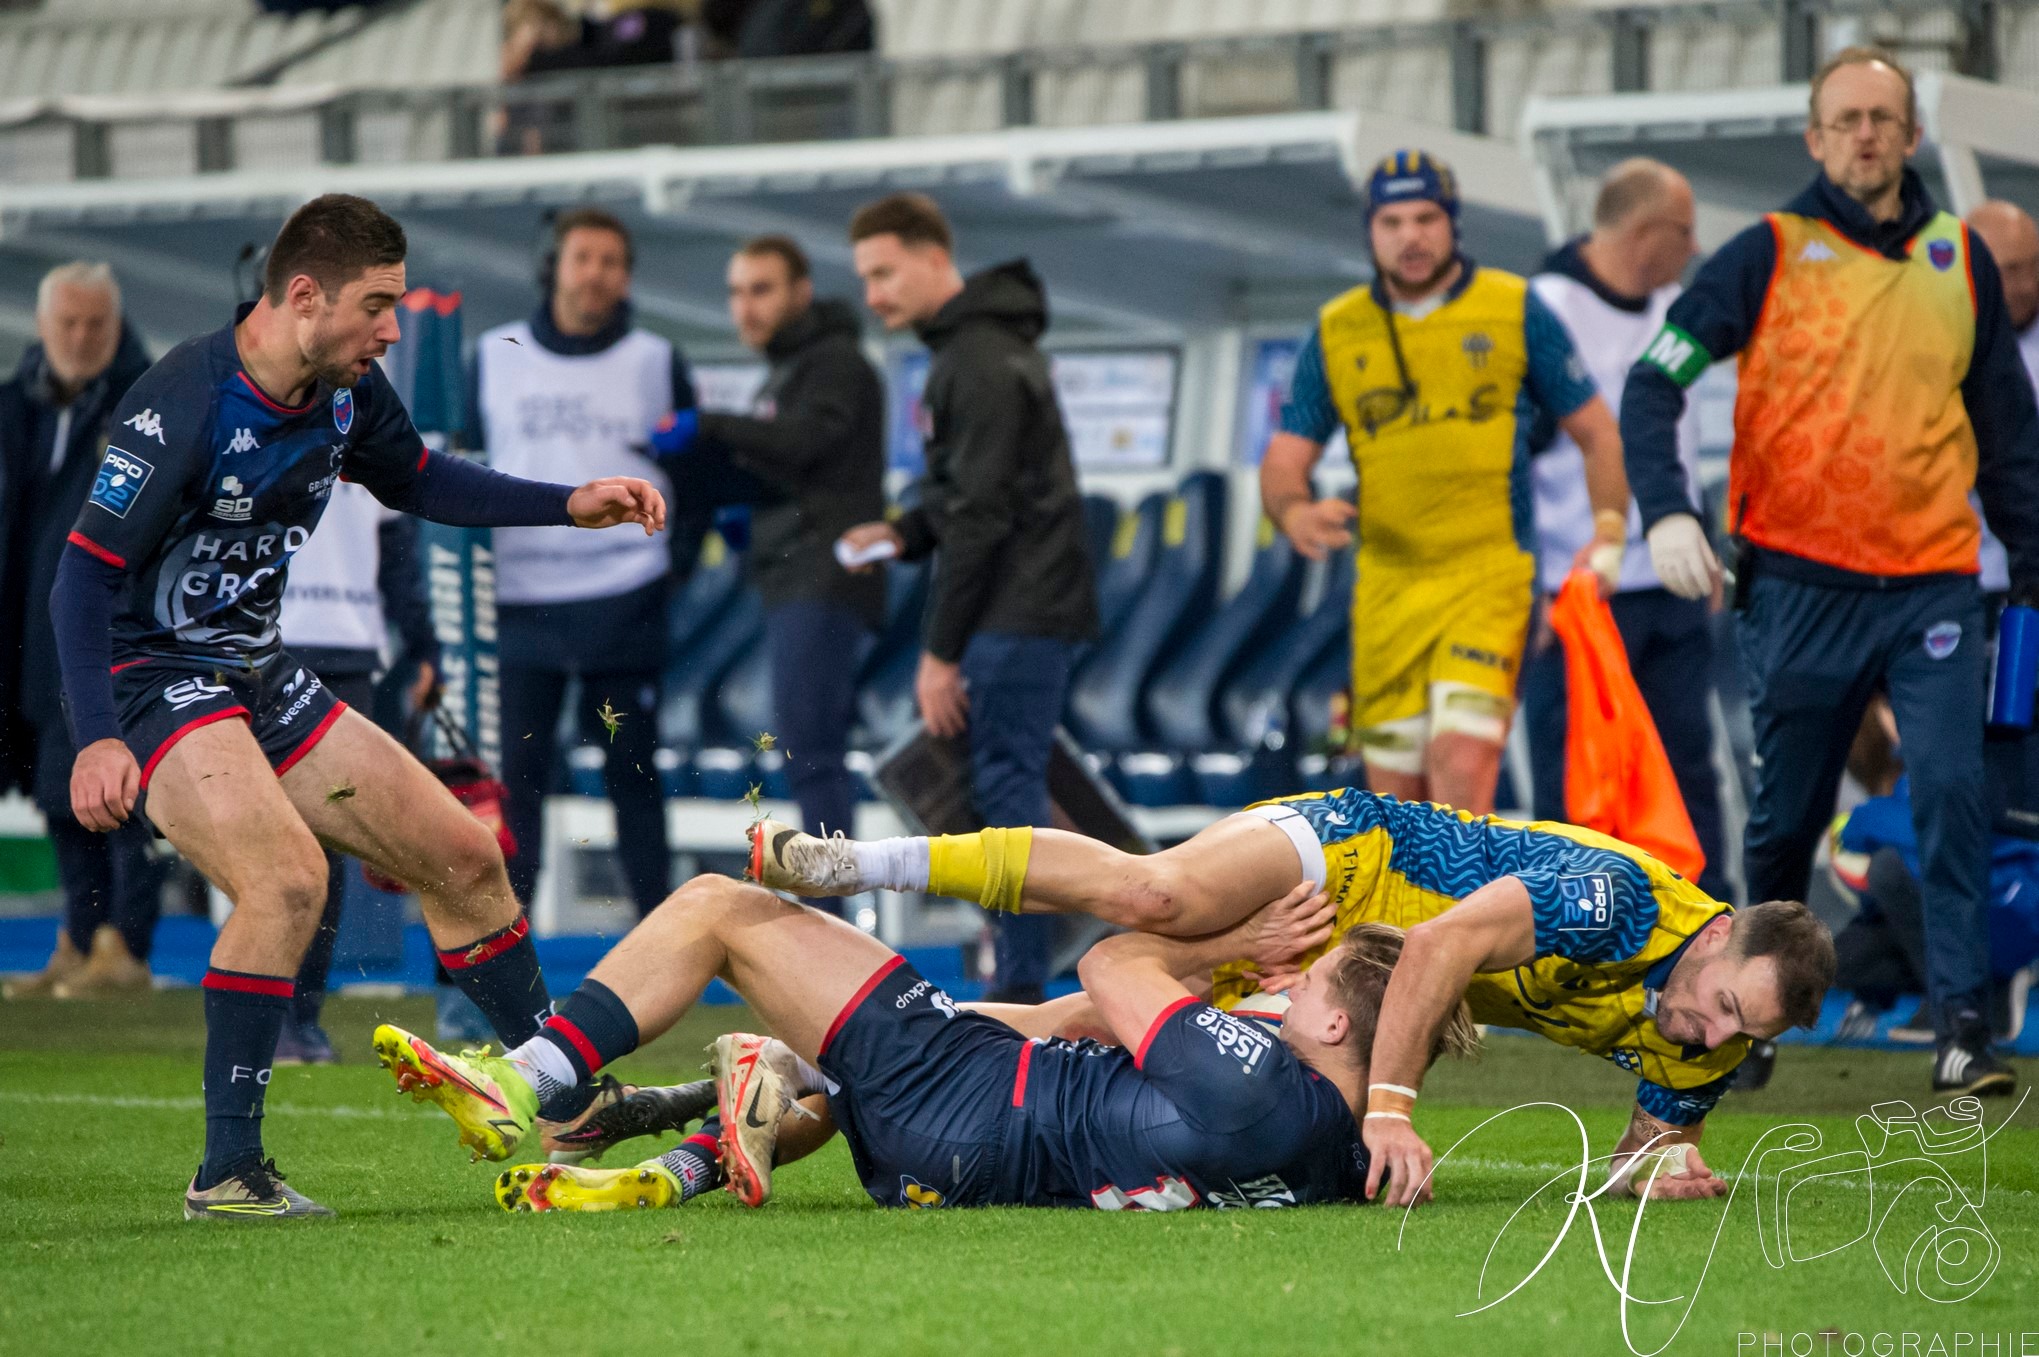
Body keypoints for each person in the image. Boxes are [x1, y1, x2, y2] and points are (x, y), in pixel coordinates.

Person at [54, 193, 667, 1219]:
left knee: (468, 857)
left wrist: (566, 500)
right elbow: (82, 574)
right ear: (303, 295)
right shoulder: (183, 403)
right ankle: (228, 1172)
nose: (392, 328)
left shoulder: (345, 395)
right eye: (377, 305)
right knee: (287, 879)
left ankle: (570, 1108)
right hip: (156, 679)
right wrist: (95, 739)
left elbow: (425, 479)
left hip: (258, 672)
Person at [750, 781, 1836, 1208]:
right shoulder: (1619, 902)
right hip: (1359, 860)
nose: (1709, 1031)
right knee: (1159, 894)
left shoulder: (1708, 1048)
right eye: (1720, 1001)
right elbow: (1437, 952)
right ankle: (857, 866)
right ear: (1716, 930)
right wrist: (1389, 1107)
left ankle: (789, 1077)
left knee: (1060, 1034)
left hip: (1346, 979)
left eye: (1745, 1032)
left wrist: (1652, 1170)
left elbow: (1642, 1154)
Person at [1620, 48, 2039, 1097]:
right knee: (1785, 820)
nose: (1864, 135)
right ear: (1813, 138)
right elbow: (1649, 383)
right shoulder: (1764, 252)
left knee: (1949, 791)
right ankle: (1748, 1008)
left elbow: (2007, 434)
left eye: (1882, 119)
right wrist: (1667, 511)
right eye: (1844, 118)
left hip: (1935, 587)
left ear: (1908, 135)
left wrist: (2029, 571)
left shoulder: (1958, 257)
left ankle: (1959, 1031)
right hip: (1799, 587)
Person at [370, 871, 1474, 1213]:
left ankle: (527, 1079)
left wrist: (1230, 934)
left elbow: (1103, 966)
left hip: (968, 1098)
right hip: (971, 1160)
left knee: (717, 907)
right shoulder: (1349, 1153)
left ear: (1331, 1022)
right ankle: (675, 1154)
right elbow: (1062, 1021)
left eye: (1307, 978)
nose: (1284, 979)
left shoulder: (1256, 1083)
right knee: (807, 1061)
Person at [1260, 150, 1633, 815]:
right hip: (1388, 591)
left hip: (1489, 577)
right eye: (1392, 221)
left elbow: (1599, 433)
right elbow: (1286, 455)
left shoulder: (1513, 308)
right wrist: (1293, 511)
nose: (1411, 236)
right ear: (1370, 231)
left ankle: (1470, 918)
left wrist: (1607, 535)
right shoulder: (1337, 330)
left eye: (1426, 218)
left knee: (1459, 762)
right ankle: (1411, 924)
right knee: (1395, 802)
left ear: (1452, 223)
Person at [837, 192, 1100, 1002]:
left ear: (931, 255)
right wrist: (906, 532)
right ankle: (1035, 967)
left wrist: (939, 652)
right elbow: (968, 496)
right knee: (1009, 786)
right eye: (866, 278)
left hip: (1017, 607)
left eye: (884, 273)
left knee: (1008, 796)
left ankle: (1021, 987)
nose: (874, 294)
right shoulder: (978, 349)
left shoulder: (976, 360)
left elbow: (982, 515)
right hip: (1027, 602)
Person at [648, 234, 886, 916]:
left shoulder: (834, 363)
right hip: (798, 577)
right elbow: (797, 472)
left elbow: (809, 442)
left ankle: (839, 923)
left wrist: (711, 426)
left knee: (813, 751)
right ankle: (836, 917)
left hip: (825, 580)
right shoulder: (789, 371)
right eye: (736, 292)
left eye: (762, 289)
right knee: (807, 749)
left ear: (800, 293)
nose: (745, 307)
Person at [472, 206, 696, 921]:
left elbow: (693, 477)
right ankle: (505, 946)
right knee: (517, 782)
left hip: (623, 597)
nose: (595, 273)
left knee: (633, 775)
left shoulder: (655, 358)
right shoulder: (491, 352)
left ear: (625, 275)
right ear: (554, 265)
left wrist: (667, 568)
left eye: (610, 261)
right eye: (582, 257)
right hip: (521, 600)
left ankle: (665, 936)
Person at [1518, 160, 1728, 897]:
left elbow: (1681, 442)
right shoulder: (1542, 310)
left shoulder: (1673, 307)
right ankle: (1561, 942)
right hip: (1574, 593)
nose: (1693, 246)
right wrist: (1528, 586)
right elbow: (1512, 459)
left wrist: (1695, 542)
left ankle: (1704, 928)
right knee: (1576, 781)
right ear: (1642, 233)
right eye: (1682, 231)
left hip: (1666, 582)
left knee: (1684, 765)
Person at [0, 262, 165, 1002]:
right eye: (67, 322)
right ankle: (78, 932)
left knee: (126, 794)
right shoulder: (16, 405)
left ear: (116, 323)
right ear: (42, 325)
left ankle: (124, 943)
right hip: (26, 629)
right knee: (56, 787)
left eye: (94, 322)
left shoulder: (148, 402)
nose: (80, 336)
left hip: (113, 626)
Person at [271, 479, 441, 1063]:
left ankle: (300, 1013)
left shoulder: (366, 425)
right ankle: (273, 1012)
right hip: (260, 645)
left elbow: (395, 552)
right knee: (272, 841)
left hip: (345, 651)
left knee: (326, 845)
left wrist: (424, 647)